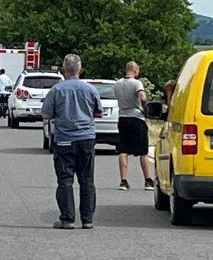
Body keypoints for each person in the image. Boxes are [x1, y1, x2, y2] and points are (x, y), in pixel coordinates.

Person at [41, 54, 102, 230]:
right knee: (87, 180)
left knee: (65, 180)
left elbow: (46, 114)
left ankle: (67, 218)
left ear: (64, 70)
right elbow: (99, 112)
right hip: (86, 138)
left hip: (64, 140)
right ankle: (87, 219)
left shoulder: (57, 90)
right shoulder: (90, 89)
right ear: (80, 69)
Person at [114, 61, 154, 191]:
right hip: (136, 118)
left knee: (123, 150)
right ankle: (148, 180)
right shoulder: (137, 83)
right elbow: (142, 96)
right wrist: (146, 106)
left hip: (123, 118)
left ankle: (123, 180)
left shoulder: (117, 84)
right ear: (135, 70)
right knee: (143, 151)